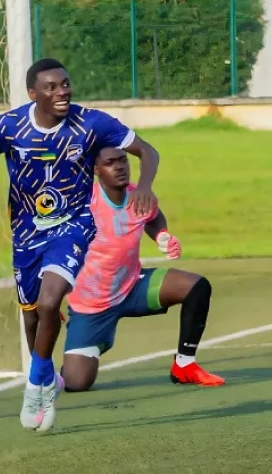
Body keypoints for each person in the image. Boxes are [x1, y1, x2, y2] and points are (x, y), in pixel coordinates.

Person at [0, 58, 160, 432]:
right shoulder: (10, 126)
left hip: (73, 226)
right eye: (51, 87)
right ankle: (46, 377)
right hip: (26, 234)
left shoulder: (91, 123)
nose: (62, 91)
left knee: (50, 302)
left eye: (65, 84)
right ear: (33, 94)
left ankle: (34, 387)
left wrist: (144, 187)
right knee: (33, 315)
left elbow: (148, 150)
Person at [61, 146, 224, 392]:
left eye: (123, 161)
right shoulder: (83, 202)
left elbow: (153, 216)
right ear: (95, 170)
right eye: (110, 163)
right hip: (91, 307)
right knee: (76, 383)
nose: (119, 167)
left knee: (196, 287)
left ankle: (184, 365)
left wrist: (162, 235)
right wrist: (51, 294)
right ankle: (88, 347)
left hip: (133, 286)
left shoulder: (138, 195)